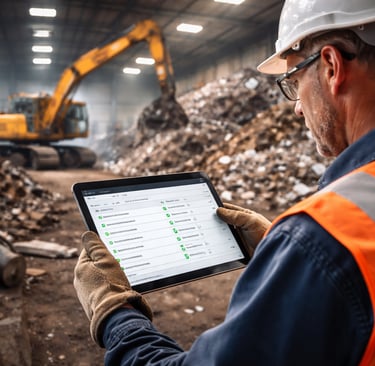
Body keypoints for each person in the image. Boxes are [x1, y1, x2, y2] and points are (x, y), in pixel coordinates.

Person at [73, 0, 375, 364]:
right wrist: (276, 246)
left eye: (293, 82)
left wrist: (115, 312)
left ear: (330, 67)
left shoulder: (325, 239)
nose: (296, 107)